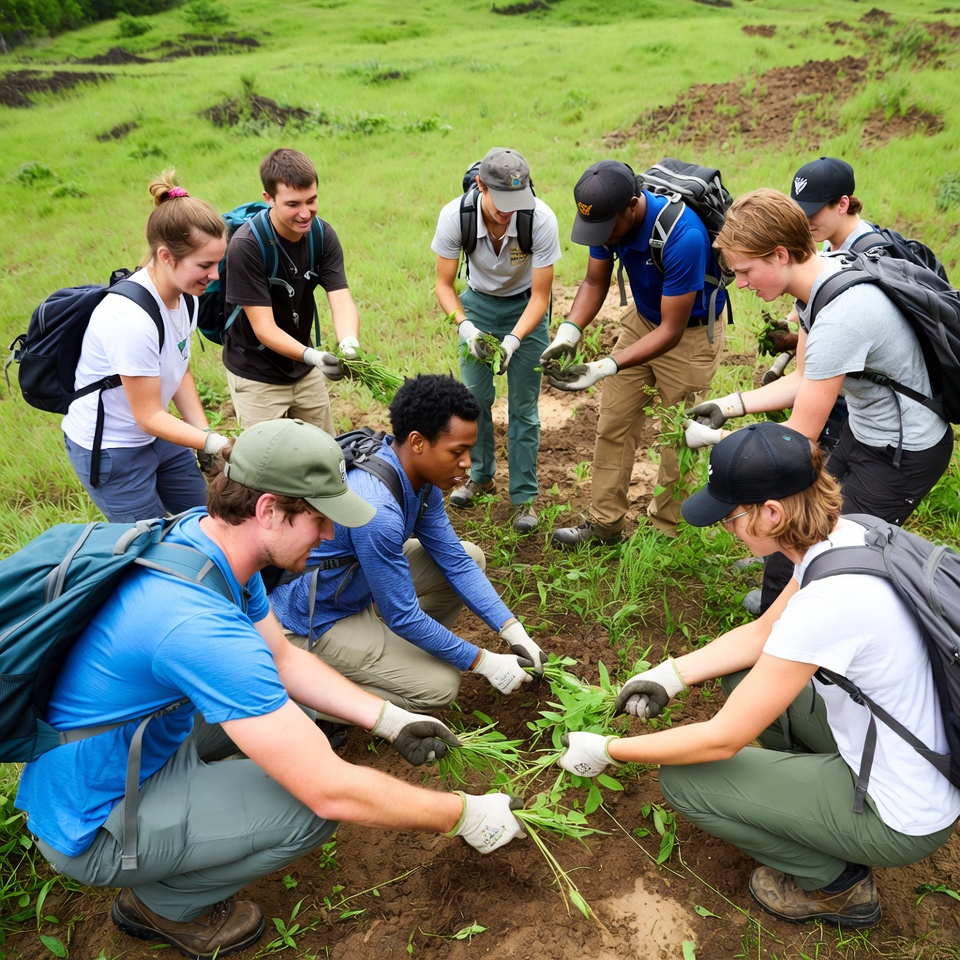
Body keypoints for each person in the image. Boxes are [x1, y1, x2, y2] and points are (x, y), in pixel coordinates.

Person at [16, 418, 525, 960]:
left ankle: (194, 816)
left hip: (131, 743)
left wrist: (388, 719)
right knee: (310, 806)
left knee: (300, 721)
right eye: (319, 519)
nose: (331, 535)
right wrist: (463, 814)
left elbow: (282, 658)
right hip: (96, 818)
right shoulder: (197, 627)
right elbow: (328, 789)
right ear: (268, 511)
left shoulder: (209, 542)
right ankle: (163, 904)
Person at [558, 422, 960, 928]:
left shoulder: (831, 603)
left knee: (685, 780)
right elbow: (762, 635)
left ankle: (836, 886)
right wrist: (670, 675)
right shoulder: (847, 534)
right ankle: (807, 801)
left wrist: (607, 750)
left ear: (771, 513)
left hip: (900, 814)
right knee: (744, 676)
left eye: (730, 519)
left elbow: (722, 740)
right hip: (913, 751)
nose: (728, 532)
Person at [684, 188, 953, 613]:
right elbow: (804, 377)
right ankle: (778, 620)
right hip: (864, 432)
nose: (741, 283)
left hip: (903, 453)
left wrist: (721, 443)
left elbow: (796, 445)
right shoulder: (820, 279)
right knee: (791, 544)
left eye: (745, 270)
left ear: (779, 254)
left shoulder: (840, 318)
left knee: (831, 556)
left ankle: (807, 655)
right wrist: (730, 404)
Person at [270, 374, 549, 714]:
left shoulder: (420, 479)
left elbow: (454, 561)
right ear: (418, 442)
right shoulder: (378, 510)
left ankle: (399, 653)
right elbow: (401, 614)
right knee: (439, 688)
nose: (467, 463)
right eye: (457, 451)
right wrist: (484, 661)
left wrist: (513, 631)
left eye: (469, 451)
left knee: (470, 557)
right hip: (312, 616)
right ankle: (305, 695)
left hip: (353, 586)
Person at [542, 160, 727, 546]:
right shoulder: (604, 220)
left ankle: (667, 531)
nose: (603, 238)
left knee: (678, 435)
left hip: (688, 335)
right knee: (614, 421)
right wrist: (568, 333)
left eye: (608, 230)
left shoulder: (684, 235)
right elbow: (596, 280)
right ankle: (605, 523)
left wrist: (606, 364)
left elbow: (671, 330)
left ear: (632, 204)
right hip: (643, 320)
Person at [62, 171, 230, 523]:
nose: (214, 275)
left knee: (209, 520)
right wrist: (214, 442)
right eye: (204, 265)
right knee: (149, 546)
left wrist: (202, 434)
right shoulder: (130, 319)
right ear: (166, 256)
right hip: (114, 447)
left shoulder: (188, 296)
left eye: (218, 263)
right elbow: (148, 415)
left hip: (159, 434)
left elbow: (179, 366)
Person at [432, 147, 562, 533]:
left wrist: (514, 341)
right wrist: (465, 326)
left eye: (516, 202)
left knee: (524, 408)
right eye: (501, 201)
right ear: (480, 186)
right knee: (475, 401)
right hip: (478, 307)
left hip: (526, 311)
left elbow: (541, 295)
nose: (509, 211)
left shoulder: (539, 217)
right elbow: (443, 284)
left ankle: (523, 497)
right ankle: (481, 475)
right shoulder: (456, 215)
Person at [222, 148, 362, 433]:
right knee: (268, 468)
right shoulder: (246, 246)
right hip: (255, 374)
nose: (304, 213)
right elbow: (264, 328)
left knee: (325, 455)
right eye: (293, 204)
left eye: (311, 201)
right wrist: (314, 356)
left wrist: (349, 344)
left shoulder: (322, 236)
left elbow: (340, 299)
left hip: (303, 368)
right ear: (269, 199)